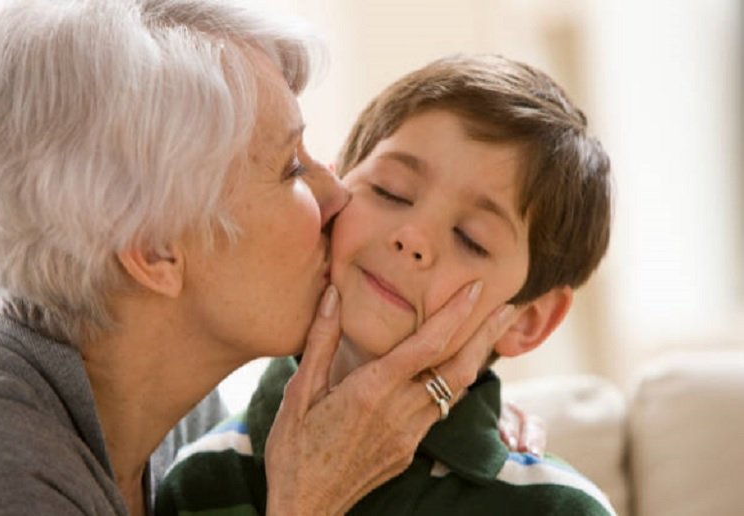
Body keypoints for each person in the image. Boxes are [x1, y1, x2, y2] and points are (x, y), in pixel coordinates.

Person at [0, 2, 524, 515]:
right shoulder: (14, 473)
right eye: (291, 168)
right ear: (155, 249)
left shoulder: (173, 414)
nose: (337, 195)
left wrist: (464, 419)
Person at [155, 54, 616, 515]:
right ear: (336, 193)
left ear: (529, 319)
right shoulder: (202, 477)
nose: (412, 238)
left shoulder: (556, 508)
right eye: (390, 191)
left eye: (470, 239)